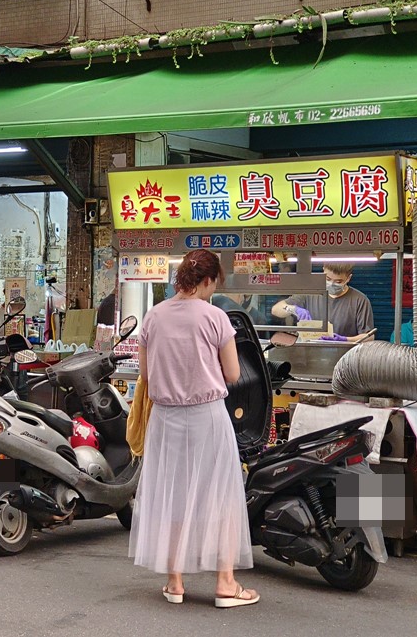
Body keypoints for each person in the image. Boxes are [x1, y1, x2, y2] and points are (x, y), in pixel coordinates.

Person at [129, 248, 259, 609]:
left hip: (166, 419)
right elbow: (233, 374)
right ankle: (225, 583)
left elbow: (145, 374)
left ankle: (174, 583)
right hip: (207, 417)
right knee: (221, 497)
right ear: (206, 280)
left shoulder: (153, 317)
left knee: (172, 494)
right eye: (213, 283)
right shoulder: (215, 317)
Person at [270, 262, 374, 340]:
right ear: (323, 270)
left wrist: (345, 340)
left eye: (338, 281)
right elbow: (275, 309)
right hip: (311, 356)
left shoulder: (360, 300)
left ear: (348, 278)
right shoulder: (310, 293)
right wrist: (293, 309)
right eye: (328, 279)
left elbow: (369, 337)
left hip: (346, 359)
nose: (332, 284)